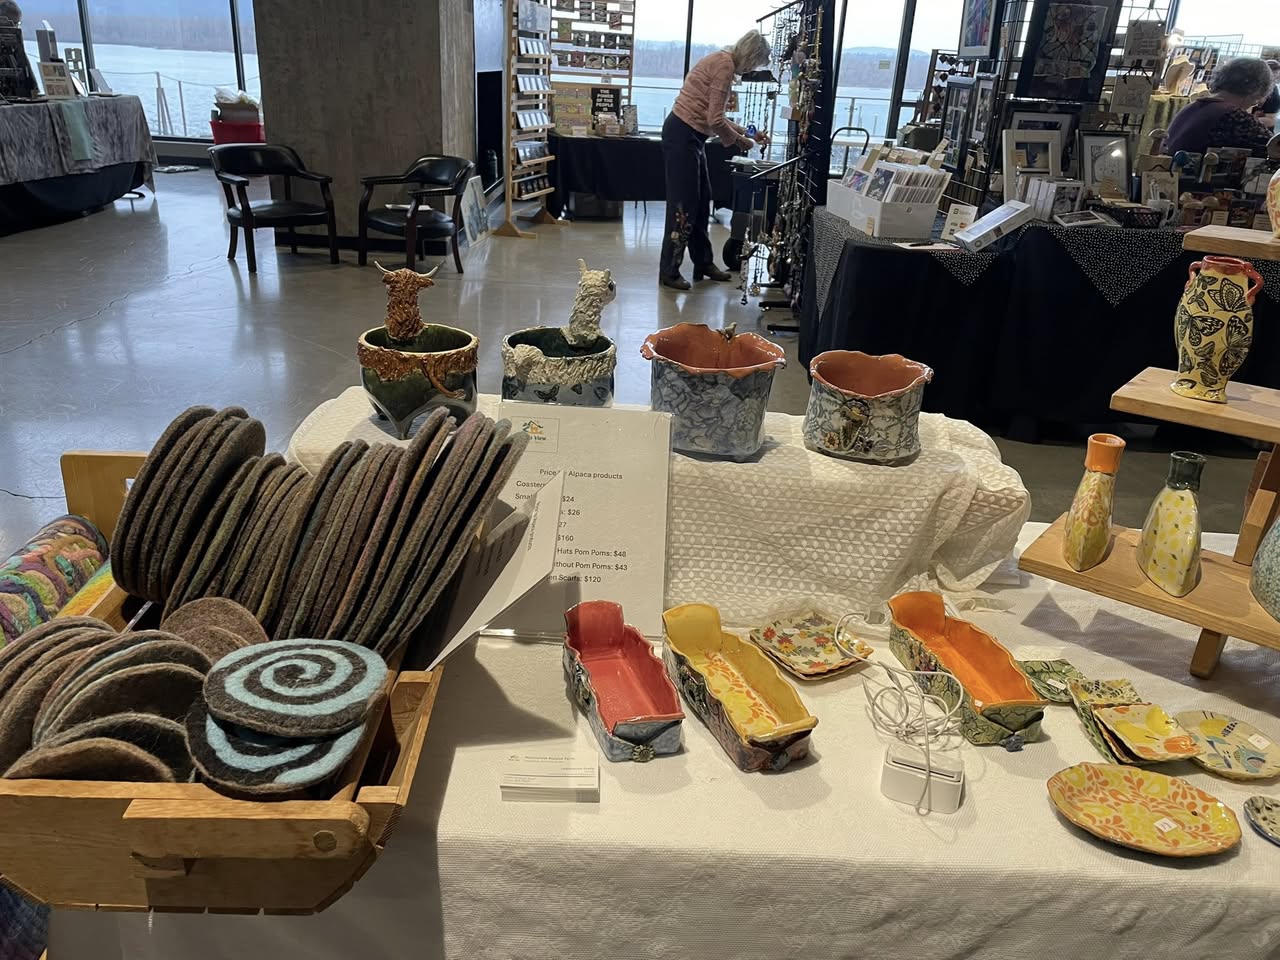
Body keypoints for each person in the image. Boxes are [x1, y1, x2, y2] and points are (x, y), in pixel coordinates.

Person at [659, 29, 771, 290]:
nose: (752, 69)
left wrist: (750, 133)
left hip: (689, 135)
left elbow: (715, 115)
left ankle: (704, 262)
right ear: (750, 56)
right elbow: (715, 121)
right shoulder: (724, 66)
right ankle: (669, 270)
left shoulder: (722, 61)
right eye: (755, 63)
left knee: (700, 200)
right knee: (683, 204)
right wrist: (740, 142)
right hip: (683, 135)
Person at [1165, 57, 1276, 158]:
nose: (1256, 103)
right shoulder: (1234, 116)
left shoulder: (1192, 107)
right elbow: (1274, 146)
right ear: (1255, 89)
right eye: (1257, 99)